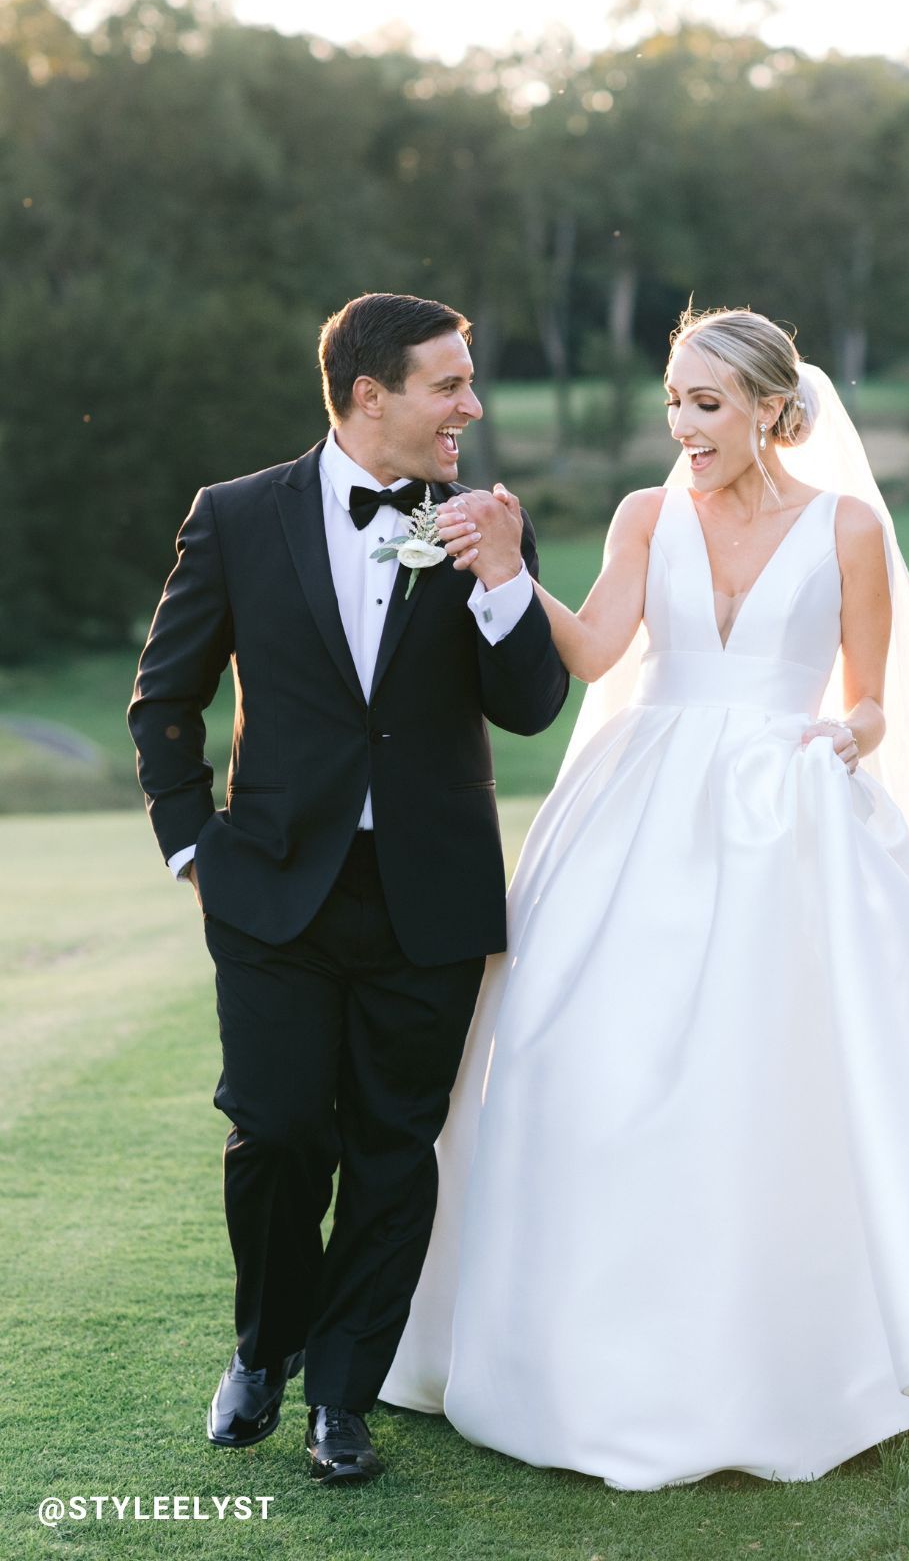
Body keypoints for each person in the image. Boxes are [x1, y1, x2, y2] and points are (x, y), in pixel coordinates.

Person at [376, 306, 909, 1491]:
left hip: (787, 813)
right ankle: (591, 1350)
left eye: (704, 404)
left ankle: (835, 1331)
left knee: (791, 1067)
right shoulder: (645, 516)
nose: (682, 426)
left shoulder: (849, 525)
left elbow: (872, 697)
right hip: (638, 811)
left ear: (768, 407)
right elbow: (598, 653)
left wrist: (843, 739)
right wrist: (506, 573)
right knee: (586, 1056)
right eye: (672, 402)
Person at [127, 292, 569, 1484]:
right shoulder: (236, 517)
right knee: (272, 1130)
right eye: (449, 383)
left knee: (390, 1147)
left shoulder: (484, 524)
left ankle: (342, 1397)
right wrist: (190, 844)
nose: (471, 406)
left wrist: (498, 579)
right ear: (369, 394)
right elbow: (164, 698)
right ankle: (262, 1352)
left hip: (427, 896)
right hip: (271, 892)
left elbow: (530, 704)